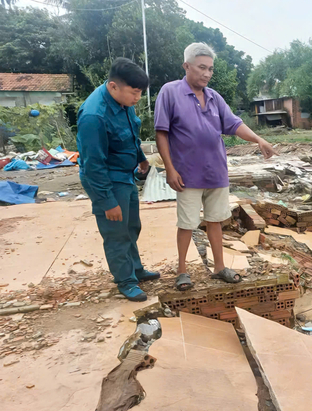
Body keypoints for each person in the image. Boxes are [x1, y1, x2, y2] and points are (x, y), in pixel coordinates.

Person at [155, 42, 277, 291]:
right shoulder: (170, 92)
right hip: (186, 174)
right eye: (202, 68)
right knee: (187, 223)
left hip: (216, 172)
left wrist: (258, 139)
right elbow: (161, 133)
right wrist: (170, 168)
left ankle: (219, 266)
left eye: (210, 69)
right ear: (186, 66)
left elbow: (234, 124)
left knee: (215, 220)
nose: (207, 74)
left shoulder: (214, 97)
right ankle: (182, 271)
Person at [77, 58, 159, 302]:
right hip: (106, 179)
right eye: (135, 93)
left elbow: (130, 135)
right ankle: (125, 281)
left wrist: (142, 158)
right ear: (114, 86)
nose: (138, 98)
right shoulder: (94, 116)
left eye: (140, 93)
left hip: (125, 175)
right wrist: (107, 201)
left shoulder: (123, 102)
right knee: (116, 232)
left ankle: (135, 269)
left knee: (132, 226)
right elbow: (93, 166)